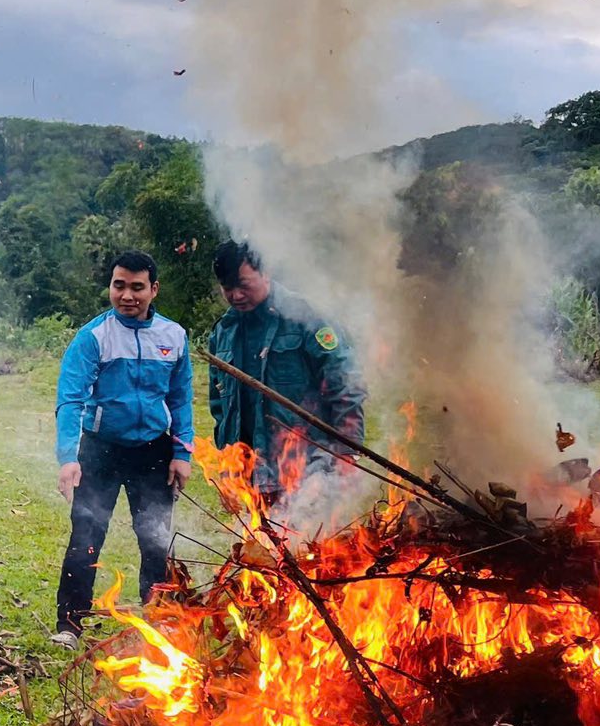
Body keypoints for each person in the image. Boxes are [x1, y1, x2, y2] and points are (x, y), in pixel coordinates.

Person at [53, 252, 195, 646]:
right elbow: (70, 400)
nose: (127, 295)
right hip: (100, 451)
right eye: (119, 285)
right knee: (86, 536)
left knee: (154, 538)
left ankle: (159, 619)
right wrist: (68, 458)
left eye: (137, 287)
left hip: (153, 451)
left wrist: (182, 454)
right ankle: (69, 624)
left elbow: (182, 399)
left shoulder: (174, 336)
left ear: (154, 289)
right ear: (111, 286)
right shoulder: (93, 337)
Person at [205, 241, 366, 500]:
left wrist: (347, 452)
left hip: (310, 470)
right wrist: (229, 471)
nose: (235, 295)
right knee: (261, 541)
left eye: (243, 285)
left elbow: (345, 383)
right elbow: (220, 409)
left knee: (312, 540)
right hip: (253, 477)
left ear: (265, 272)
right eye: (227, 288)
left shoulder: (305, 317)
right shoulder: (223, 331)